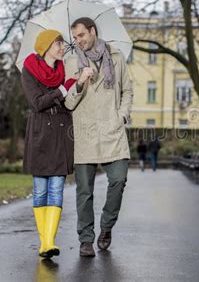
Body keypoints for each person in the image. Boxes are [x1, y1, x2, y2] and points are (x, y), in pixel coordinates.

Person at [64, 17, 133, 257]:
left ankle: (106, 226)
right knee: (84, 191)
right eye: (74, 38)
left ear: (92, 31)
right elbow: (68, 102)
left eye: (81, 35)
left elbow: (127, 90)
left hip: (112, 130)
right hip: (84, 132)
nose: (78, 41)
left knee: (118, 179)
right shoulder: (71, 62)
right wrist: (80, 82)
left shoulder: (116, 57)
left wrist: (122, 115)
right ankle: (85, 239)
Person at [21, 29, 76, 258]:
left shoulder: (66, 69)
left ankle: (49, 242)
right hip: (40, 131)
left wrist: (77, 84)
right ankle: (45, 242)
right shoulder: (29, 69)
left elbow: (71, 102)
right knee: (40, 189)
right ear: (45, 47)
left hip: (62, 130)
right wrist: (64, 88)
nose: (63, 48)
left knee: (56, 188)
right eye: (58, 44)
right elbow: (37, 103)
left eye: (63, 44)